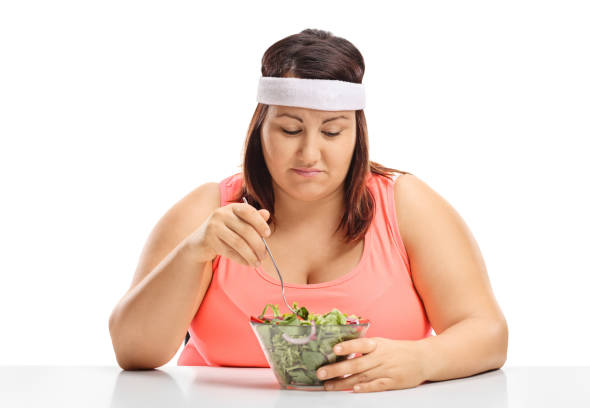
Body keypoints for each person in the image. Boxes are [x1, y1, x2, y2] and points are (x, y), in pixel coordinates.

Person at [108, 28, 508, 393]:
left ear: (357, 134)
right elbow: (134, 353)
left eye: (333, 131)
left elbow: (488, 332)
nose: (310, 154)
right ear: (260, 127)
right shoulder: (207, 210)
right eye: (290, 130)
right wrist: (193, 251)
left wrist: (423, 360)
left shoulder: (407, 205)